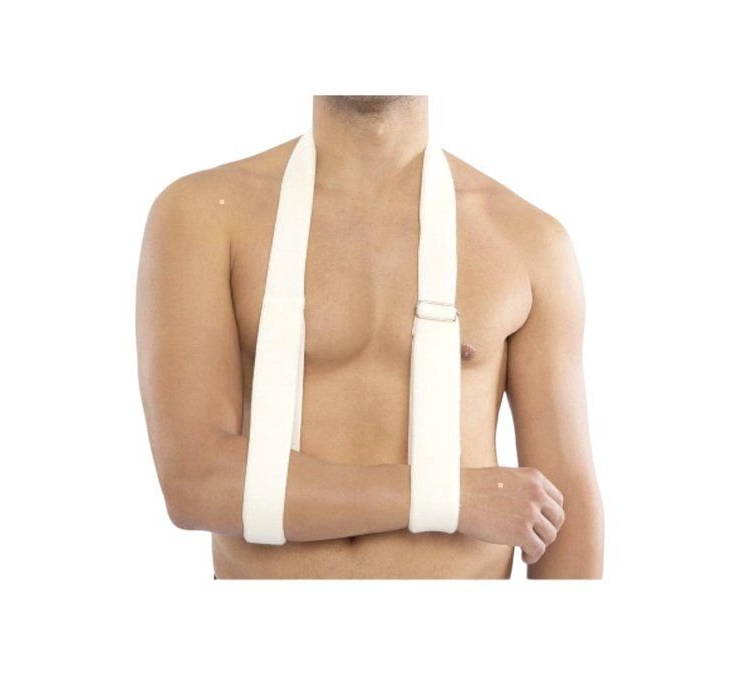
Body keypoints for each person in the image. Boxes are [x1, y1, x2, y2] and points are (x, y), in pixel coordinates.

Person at [135, 95, 604, 579]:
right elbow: (196, 484)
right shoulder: (203, 215)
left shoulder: (529, 242)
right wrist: (455, 499)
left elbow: (565, 508)